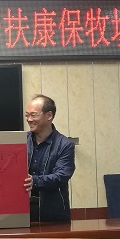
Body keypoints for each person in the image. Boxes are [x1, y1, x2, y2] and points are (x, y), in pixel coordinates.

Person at [23, 94, 75, 222]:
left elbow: (61, 176)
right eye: (27, 115)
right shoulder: (21, 141)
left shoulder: (65, 144)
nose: (29, 119)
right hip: (22, 210)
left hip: (53, 212)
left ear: (49, 115)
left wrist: (34, 181)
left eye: (33, 115)